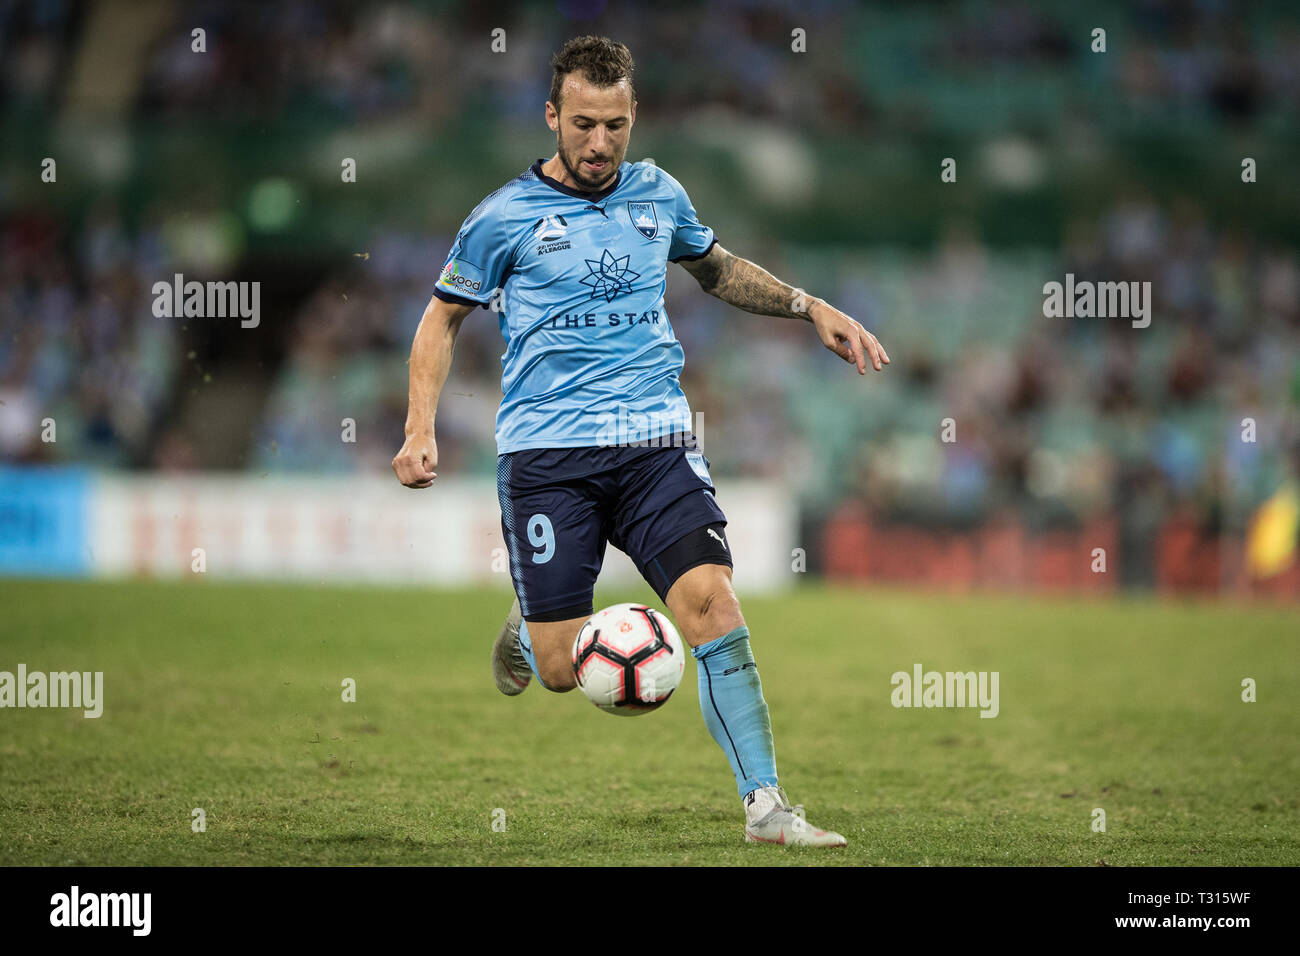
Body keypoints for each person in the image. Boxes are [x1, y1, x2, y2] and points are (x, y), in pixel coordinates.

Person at [393, 35, 888, 846]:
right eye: (582, 124)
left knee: (715, 608)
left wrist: (809, 305)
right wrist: (419, 428)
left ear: (634, 118)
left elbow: (717, 268)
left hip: (655, 442)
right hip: (548, 458)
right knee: (561, 670)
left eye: (615, 126)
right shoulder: (502, 217)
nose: (598, 144)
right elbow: (442, 317)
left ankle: (766, 807)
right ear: (552, 116)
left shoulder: (658, 193)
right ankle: (527, 627)